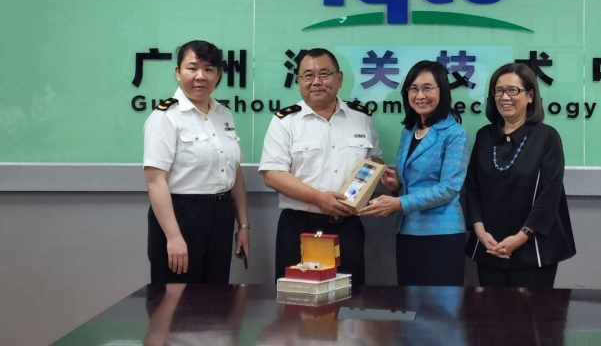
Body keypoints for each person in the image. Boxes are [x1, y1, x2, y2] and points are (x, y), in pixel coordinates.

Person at [259, 48, 381, 287]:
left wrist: (378, 176)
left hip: (348, 226)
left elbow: (374, 160)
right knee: (298, 298)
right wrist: (318, 198)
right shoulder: (285, 121)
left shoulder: (362, 117)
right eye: (308, 75)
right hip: (300, 227)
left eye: (324, 74)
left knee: (351, 297)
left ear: (339, 78)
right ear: (298, 81)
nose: (316, 81)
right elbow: (272, 175)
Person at [143, 40, 250, 284]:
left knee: (216, 294)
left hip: (221, 216)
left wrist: (243, 225)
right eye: (192, 68)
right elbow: (155, 181)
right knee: (176, 297)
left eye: (209, 69)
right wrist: (173, 237)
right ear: (178, 72)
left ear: (219, 74)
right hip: (181, 216)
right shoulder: (165, 117)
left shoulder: (224, 114)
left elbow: (234, 172)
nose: (200, 76)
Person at [464, 62, 576, 288]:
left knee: (532, 311)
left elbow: (549, 194)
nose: (505, 97)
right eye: (499, 91)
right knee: (490, 309)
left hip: (533, 248)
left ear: (530, 96)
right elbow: (472, 188)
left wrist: (521, 236)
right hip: (489, 246)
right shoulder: (485, 136)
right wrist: (480, 231)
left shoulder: (547, 137)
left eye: (513, 90)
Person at [360, 61, 470, 286]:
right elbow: (411, 182)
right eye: (413, 89)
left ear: (442, 91)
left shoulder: (455, 133)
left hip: (441, 233)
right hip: (407, 229)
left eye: (427, 88)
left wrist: (398, 203)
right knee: (409, 301)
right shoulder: (409, 131)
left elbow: (448, 188)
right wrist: (396, 186)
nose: (420, 95)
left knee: (441, 304)